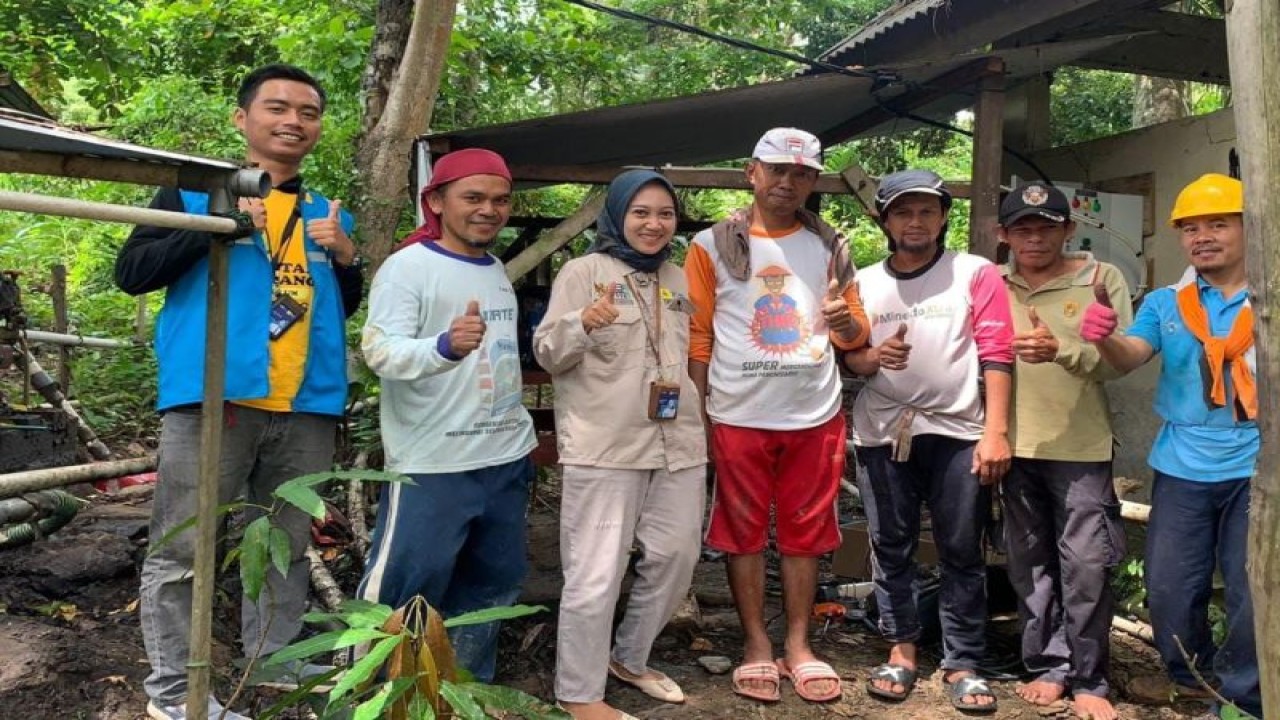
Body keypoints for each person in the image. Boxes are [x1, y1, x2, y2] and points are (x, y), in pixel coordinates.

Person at [115, 63, 363, 720]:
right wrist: (221, 229)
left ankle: (272, 657)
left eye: (308, 112)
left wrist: (348, 257)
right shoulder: (189, 196)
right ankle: (173, 696)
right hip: (214, 398)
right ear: (242, 118)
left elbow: (342, 306)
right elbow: (132, 272)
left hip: (306, 403)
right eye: (278, 108)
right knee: (184, 548)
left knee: (284, 542)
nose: (293, 122)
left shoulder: (327, 213)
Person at [685, 127, 869, 704]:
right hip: (738, 413)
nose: (788, 182)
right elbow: (698, 338)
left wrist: (841, 321)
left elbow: (856, 332)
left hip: (813, 414)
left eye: (802, 173)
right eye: (777, 170)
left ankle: (799, 645)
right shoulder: (711, 245)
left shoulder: (830, 245)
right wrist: (703, 418)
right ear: (752, 172)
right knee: (740, 536)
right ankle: (756, 646)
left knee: (806, 536)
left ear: (814, 181)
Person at [1079, 173, 1262, 719]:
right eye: (1190, 228)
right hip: (1183, 466)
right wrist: (1104, 337)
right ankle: (1193, 678)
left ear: (1249, 228)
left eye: (1218, 224)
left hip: (1258, 466)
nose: (1202, 236)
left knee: (1254, 593)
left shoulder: (1271, 298)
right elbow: (1130, 355)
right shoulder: (1167, 303)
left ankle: (1241, 698)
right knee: (1170, 591)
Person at [533, 169, 707, 720]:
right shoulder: (583, 273)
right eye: (641, 212)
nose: (653, 224)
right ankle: (579, 692)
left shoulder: (677, 278)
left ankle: (629, 658)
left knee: (678, 557)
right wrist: (582, 322)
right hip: (604, 445)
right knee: (595, 572)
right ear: (617, 214)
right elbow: (546, 352)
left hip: (678, 442)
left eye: (664, 214)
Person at [358, 148, 536, 683]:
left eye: (500, 200)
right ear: (436, 200)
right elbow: (380, 351)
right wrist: (443, 347)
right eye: (474, 198)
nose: (489, 210)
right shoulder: (408, 268)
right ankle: (374, 700)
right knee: (402, 595)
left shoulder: (494, 269)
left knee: (490, 590)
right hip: (432, 466)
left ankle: (464, 696)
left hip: (504, 458)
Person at [843, 168, 1013, 713]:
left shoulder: (975, 272)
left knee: (961, 547)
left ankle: (964, 659)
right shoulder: (865, 283)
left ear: (943, 218)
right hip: (882, 431)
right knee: (890, 543)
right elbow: (852, 356)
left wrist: (996, 432)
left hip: (959, 431)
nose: (914, 222)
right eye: (902, 212)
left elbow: (996, 352)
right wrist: (873, 358)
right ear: (885, 220)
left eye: (926, 211)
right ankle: (902, 648)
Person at [996, 182, 1133, 720]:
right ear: (1003, 235)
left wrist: (1063, 350)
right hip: (1012, 442)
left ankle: (1090, 677)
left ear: (1068, 229)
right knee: (1029, 564)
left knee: (1086, 564)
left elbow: (1119, 361)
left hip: (1080, 445)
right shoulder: (992, 282)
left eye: (1047, 227)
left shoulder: (1101, 280)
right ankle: (1048, 667)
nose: (1035, 238)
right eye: (1023, 229)